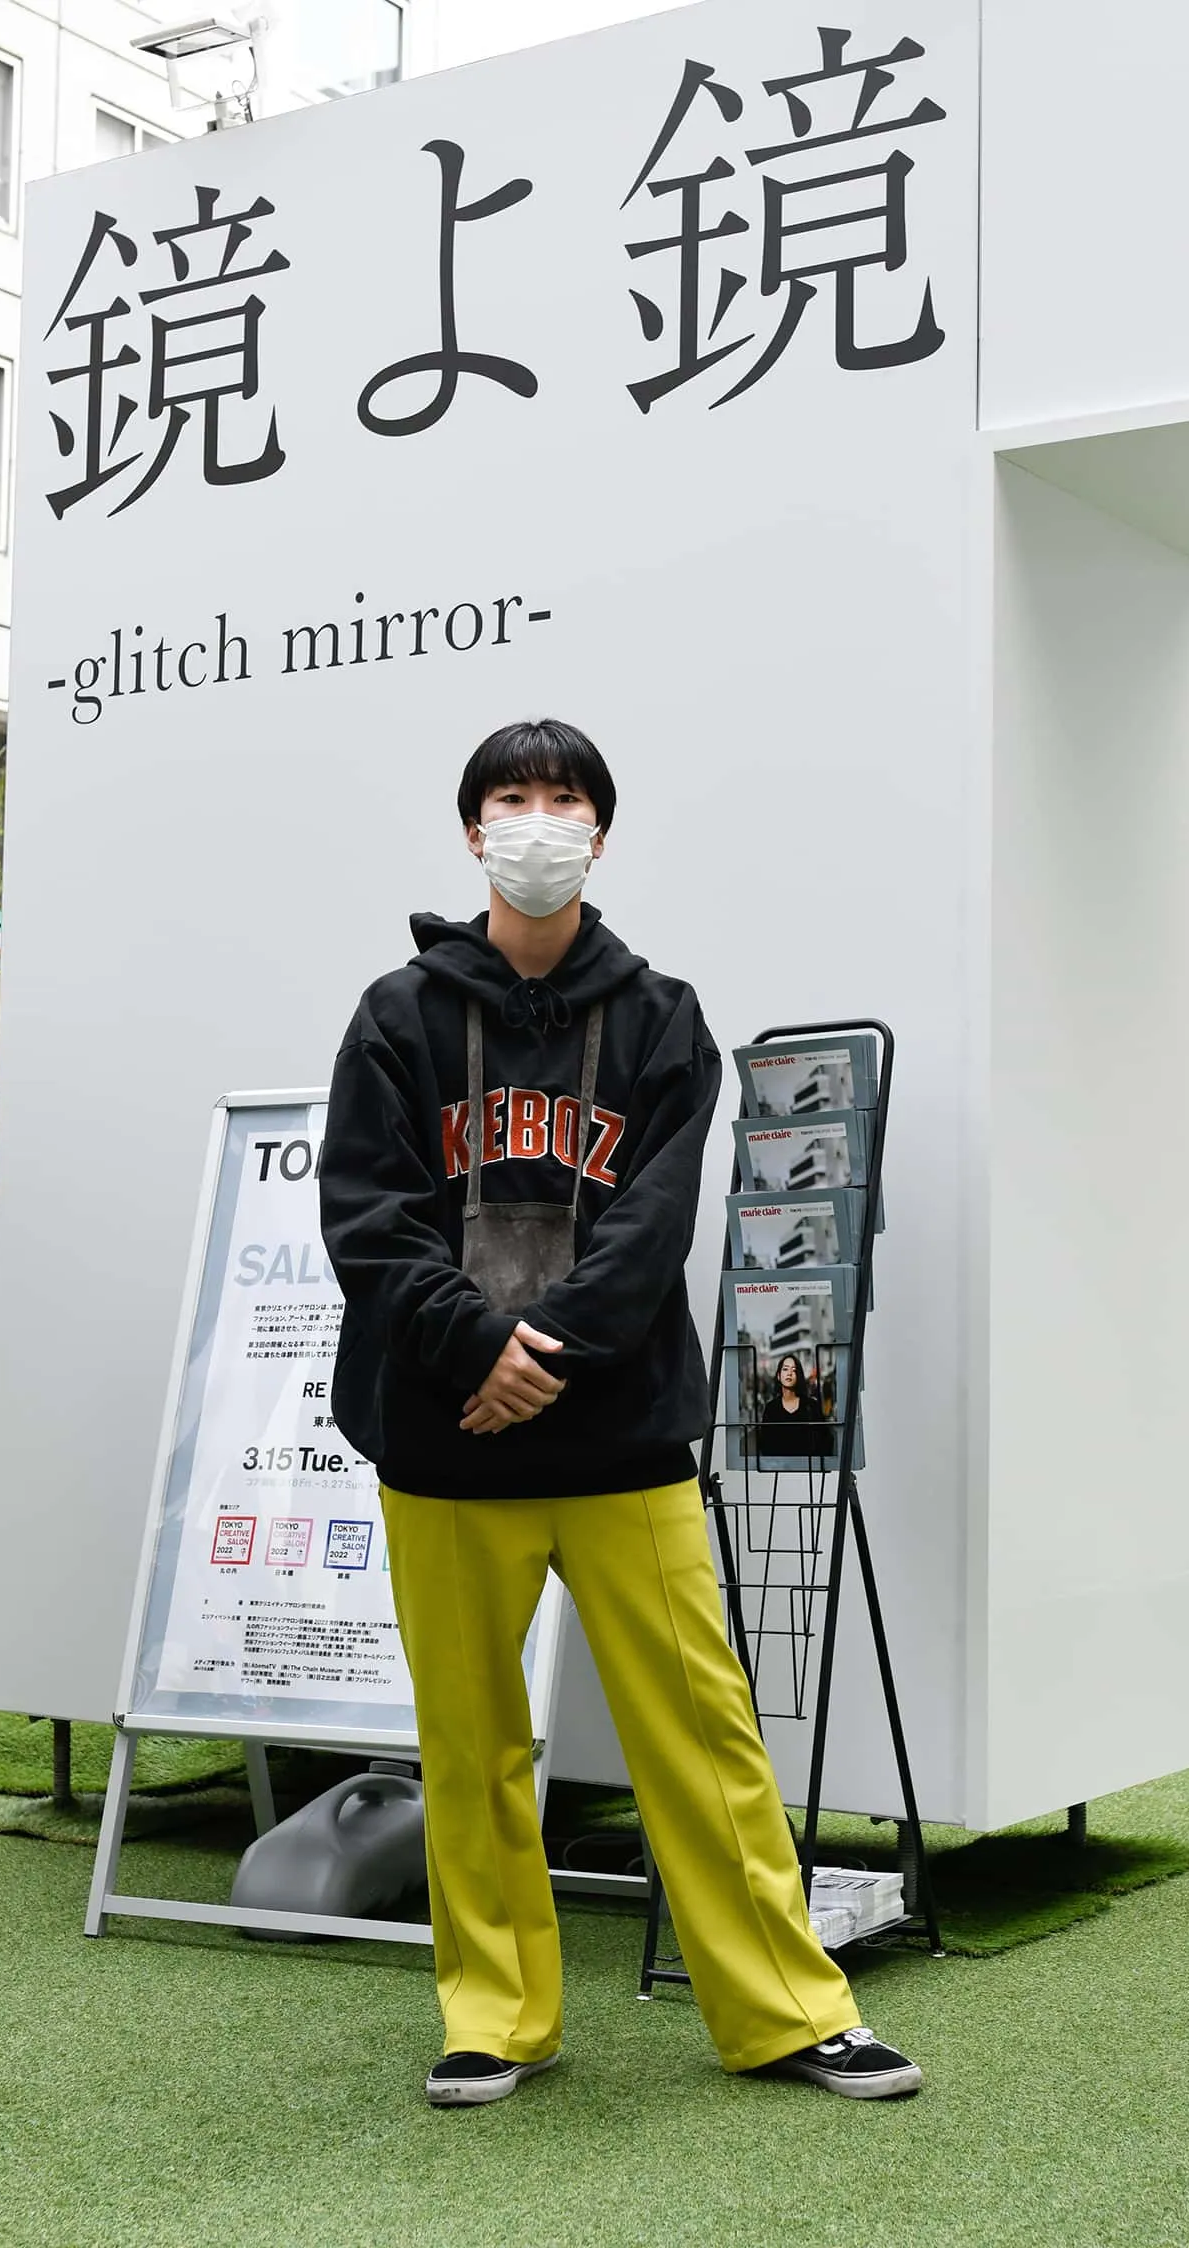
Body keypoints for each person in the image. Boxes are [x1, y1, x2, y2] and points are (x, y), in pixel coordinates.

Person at [318, 719, 921, 2109]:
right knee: (470, 1748)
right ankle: (496, 2017)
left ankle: (787, 2012)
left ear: (599, 832)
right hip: (445, 1441)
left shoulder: (663, 1017)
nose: (537, 822)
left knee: (704, 1737)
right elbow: (368, 1213)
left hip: (621, 1440)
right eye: (511, 798)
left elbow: (656, 1223)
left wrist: (546, 1357)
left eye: (563, 799)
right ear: (472, 830)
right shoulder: (397, 1017)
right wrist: (477, 1351)